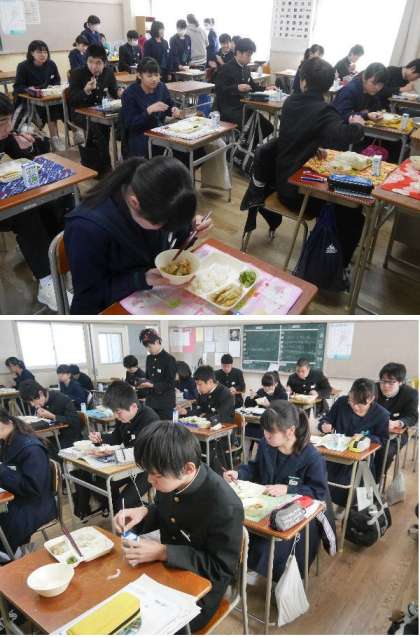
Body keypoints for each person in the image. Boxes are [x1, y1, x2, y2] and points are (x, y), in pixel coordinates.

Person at [114, 421, 243, 631]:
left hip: (201, 590)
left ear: (188, 468)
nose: (150, 480)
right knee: (117, 600)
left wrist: (164, 552)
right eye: (148, 472)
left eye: (156, 475)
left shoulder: (225, 505)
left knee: (145, 625)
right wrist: (144, 512)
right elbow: (166, 511)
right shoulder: (173, 478)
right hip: (165, 572)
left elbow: (220, 569)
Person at [240, 57, 365, 268]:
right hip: (299, 195)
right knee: (352, 208)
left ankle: (333, 256)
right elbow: (343, 137)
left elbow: (299, 134)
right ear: (328, 86)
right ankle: (333, 262)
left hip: (281, 183)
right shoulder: (324, 111)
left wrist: (313, 148)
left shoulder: (291, 102)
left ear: (303, 81)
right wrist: (358, 125)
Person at [64, 156, 211, 314]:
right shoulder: (86, 229)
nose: (167, 230)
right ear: (135, 203)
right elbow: (90, 297)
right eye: (163, 226)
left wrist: (192, 230)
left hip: (149, 295)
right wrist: (141, 279)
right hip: (109, 310)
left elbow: (177, 238)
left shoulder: (153, 197)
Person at [224, 401, 329, 581]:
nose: (266, 435)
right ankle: (243, 567)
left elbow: (318, 492)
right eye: (264, 430)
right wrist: (238, 473)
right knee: (234, 530)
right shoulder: (266, 445)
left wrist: (288, 489)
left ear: (290, 431)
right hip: (266, 505)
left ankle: (272, 575)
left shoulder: (312, 457)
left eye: (271, 432)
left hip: (297, 514)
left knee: (267, 546)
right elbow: (255, 468)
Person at [0, 94, 72, 311]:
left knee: (56, 198)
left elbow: (28, 160)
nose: (7, 128)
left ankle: (56, 258)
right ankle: (46, 280)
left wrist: (29, 147)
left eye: (8, 120)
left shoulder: (6, 135)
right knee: (26, 211)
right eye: (1, 123)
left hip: (9, 196)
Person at [318, 378, 389, 511]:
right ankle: (327, 504)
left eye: (360, 404)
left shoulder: (381, 414)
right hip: (336, 453)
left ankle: (349, 507)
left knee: (352, 481)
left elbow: (382, 439)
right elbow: (326, 419)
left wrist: (365, 438)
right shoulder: (341, 402)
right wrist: (324, 425)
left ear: (371, 399)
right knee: (320, 471)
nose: (354, 406)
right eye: (351, 401)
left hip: (360, 459)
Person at [88, 381, 159, 505]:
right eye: (114, 412)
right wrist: (100, 438)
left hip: (147, 468)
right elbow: (116, 438)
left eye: (118, 412)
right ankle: (115, 510)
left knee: (124, 502)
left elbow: (141, 451)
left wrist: (113, 452)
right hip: (128, 465)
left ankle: (130, 511)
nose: (116, 416)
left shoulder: (150, 419)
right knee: (100, 486)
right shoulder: (124, 417)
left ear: (133, 407)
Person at [0, 409, 57, 556]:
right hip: (19, 496)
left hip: (36, 504)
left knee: (4, 524)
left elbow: (32, 488)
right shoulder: (7, 439)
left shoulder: (31, 448)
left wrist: (2, 471)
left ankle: (12, 557)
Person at [68, 43, 122, 176]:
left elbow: (114, 91)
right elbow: (73, 100)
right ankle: (105, 169)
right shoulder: (77, 74)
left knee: (126, 121)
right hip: (81, 113)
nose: (94, 66)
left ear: (105, 63)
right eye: (90, 62)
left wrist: (120, 92)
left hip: (101, 112)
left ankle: (123, 161)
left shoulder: (108, 72)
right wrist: (85, 91)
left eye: (98, 63)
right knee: (98, 129)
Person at [121, 57, 180, 158]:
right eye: (149, 76)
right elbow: (130, 124)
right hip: (140, 136)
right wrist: (148, 111)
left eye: (156, 75)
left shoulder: (161, 87)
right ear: (139, 75)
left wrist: (174, 109)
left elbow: (169, 104)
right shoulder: (130, 94)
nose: (154, 79)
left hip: (159, 132)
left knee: (185, 150)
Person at [215, 38, 273, 136]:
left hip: (244, 107)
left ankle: (247, 144)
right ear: (238, 53)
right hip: (230, 109)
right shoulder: (226, 68)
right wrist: (237, 88)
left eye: (251, 55)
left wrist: (265, 89)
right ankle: (243, 144)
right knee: (252, 128)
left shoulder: (246, 68)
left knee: (268, 127)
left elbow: (252, 85)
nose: (250, 58)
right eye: (248, 55)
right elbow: (218, 89)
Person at [13, 40, 65, 150]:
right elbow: (17, 86)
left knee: (60, 106)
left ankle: (56, 138)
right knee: (50, 109)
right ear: (32, 53)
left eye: (45, 52)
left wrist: (52, 88)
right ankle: (51, 138)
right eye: (39, 52)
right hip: (30, 100)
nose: (43, 55)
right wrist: (29, 90)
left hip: (47, 97)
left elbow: (57, 80)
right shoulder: (23, 66)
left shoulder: (51, 64)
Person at [376, 362, 418, 473]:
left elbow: (412, 416)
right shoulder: (373, 389)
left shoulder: (410, 394)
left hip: (396, 433)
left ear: (400, 382)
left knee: (386, 453)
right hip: (372, 430)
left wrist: (398, 423)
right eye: (383, 381)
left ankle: (376, 479)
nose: (385, 386)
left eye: (391, 382)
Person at [19, 379, 82, 449]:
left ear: (40, 393)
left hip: (69, 437)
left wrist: (52, 416)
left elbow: (74, 421)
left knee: (40, 448)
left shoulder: (62, 399)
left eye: (32, 400)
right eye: (29, 402)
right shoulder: (40, 402)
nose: (32, 404)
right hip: (51, 435)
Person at [138, 329, 177, 420]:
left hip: (165, 404)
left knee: (164, 428)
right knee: (151, 426)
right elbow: (148, 377)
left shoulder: (169, 359)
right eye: (146, 347)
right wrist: (142, 384)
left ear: (157, 342)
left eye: (149, 347)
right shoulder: (149, 358)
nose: (148, 350)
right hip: (151, 403)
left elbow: (171, 383)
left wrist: (153, 385)